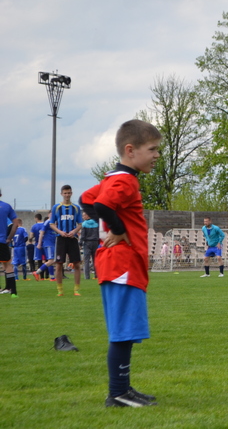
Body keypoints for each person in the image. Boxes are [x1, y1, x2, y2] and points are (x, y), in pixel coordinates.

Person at [79, 119, 161, 407]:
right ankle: (117, 394)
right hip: (122, 264)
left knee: (125, 330)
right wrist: (115, 229)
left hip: (117, 264)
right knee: (124, 331)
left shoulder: (113, 177)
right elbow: (100, 205)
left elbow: (86, 199)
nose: (156, 155)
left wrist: (112, 224)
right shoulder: (124, 180)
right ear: (130, 150)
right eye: (152, 149)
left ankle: (123, 388)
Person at [51, 185, 83, 296]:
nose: (67, 195)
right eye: (65, 193)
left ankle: (76, 290)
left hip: (72, 239)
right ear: (61, 194)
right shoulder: (56, 207)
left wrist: (74, 231)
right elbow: (51, 224)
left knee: (77, 264)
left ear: (71, 193)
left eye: (69, 193)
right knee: (59, 264)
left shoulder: (76, 208)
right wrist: (60, 232)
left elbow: (80, 224)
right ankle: (60, 290)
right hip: (60, 239)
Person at [0, 190, 21, 297]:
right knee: (8, 265)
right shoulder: (6, 206)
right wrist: (9, 238)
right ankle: (13, 292)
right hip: (2, 241)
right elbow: (16, 223)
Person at [33, 212, 57, 282]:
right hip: (48, 244)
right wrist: (39, 243)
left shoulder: (55, 222)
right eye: (51, 214)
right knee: (51, 260)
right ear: (48, 215)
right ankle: (37, 272)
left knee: (51, 260)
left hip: (52, 243)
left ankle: (52, 277)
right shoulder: (47, 222)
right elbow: (41, 233)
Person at [82, 211, 100, 280]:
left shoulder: (84, 224)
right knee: (95, 260)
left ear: (87, 216)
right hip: (95, 242)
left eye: (84, 216)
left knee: (86, 260)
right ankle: (96, 275)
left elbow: (83, 235)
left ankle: (87, 276)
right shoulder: (96, 223)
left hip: (87, 242)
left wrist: (80, 242)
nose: (83, 217)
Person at [30, 213, 46, 278]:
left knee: (39, 260)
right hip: (45, 243)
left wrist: (31, 238)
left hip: (38, 244)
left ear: (36, 218)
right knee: (47, 260)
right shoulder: (44, 224)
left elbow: (31, 236)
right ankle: (47, 275)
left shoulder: (34, 226)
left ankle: (41, 276)